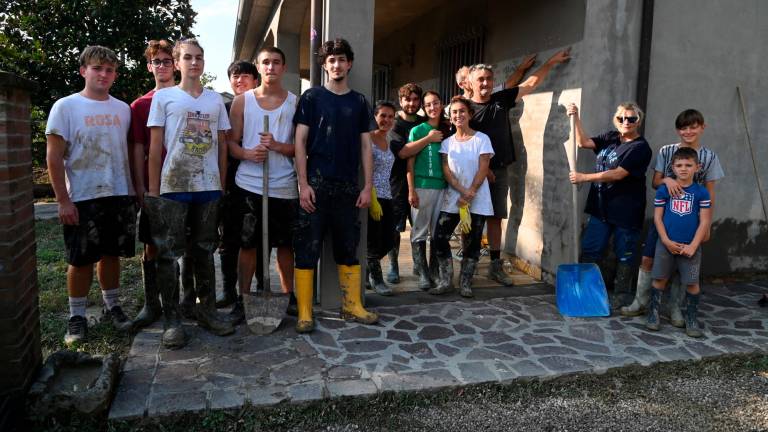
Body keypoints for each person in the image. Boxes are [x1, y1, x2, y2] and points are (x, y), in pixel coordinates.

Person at [145, 38, 234, 348]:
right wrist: (154, 191)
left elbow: (222, 146)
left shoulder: (214, 101)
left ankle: (207, 311)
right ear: (178, 62)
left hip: (208, 188)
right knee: (168, 255)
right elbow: (155, 148)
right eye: (188, 58)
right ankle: (173, 321)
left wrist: (221, 183)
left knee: (204, 250)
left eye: (199, 58)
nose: (194, 62)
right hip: (172, 186)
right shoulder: (164, 98)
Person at [45, 45, 135, 345]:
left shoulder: (123, 109)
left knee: (111, 254)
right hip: (82, 196)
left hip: (119, 192)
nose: (104, 74)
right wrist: (63, 200)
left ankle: (112, 306)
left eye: (110, 70)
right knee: (80, 258)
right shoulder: (65, 107)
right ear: (84, 70)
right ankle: (77, 316)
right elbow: (54, 157)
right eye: (97, 68)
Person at [292, 38, 378, 333]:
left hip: (347, 188)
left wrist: (367, 186)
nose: (337, 65)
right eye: (331, 60)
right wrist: (303, 184)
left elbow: (367, 147)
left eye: (341, 59)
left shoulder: (359, 102)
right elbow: (299, 142)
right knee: (307, 247)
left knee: (348, 246)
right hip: (315, 185)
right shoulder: (311, 98)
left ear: (349, 63)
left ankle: (351, 304)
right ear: (324, 65)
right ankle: (305, 311)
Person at [468, 49, 570, 286]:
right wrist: (483, 169)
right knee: (471, 220)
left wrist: (551, 62)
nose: (485, 83)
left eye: (488, 79)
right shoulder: (465, 109)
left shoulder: (501, 99)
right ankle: (469, 266)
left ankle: (495, 266)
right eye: (480, 79)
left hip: (500, 170)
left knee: (495, 218)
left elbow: (531, 83)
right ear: (471, 82)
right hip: (474, 172)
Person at [621, 109, 724, 320]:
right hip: (665, 219)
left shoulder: (709, 157)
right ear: (678, 130)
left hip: (690, 221)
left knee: (683, 262)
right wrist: (667, 180)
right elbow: (655, 181)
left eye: (693, 127)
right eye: (684, 128)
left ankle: (674, 307)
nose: (688, 132)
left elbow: (710, 193)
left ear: (702, 127)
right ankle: (641, 301)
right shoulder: (667, 151)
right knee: (648, 258)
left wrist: (708, 225)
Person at [226, 47, 298, 323]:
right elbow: (231, 143)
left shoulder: (294, 103)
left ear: (284, 67)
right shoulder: (242, 102)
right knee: (248, 245)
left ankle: (288, 295)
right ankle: (243, 299)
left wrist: (279, 146)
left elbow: (301, 147)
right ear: (259, 67)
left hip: (283, 185)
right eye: (265, 63)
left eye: (276, 62)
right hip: (249, 184)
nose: (271, 67)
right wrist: (247, 153)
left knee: (285, 245)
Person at [567, 102, 653, 309]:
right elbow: (583, 142)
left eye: (631, 119)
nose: (626, 122)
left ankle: (622, 294)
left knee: (625, 252)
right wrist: (576, 117)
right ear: (616, 120)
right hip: (600, 207)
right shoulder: (611, 138)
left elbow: (618, 174)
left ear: (638, 122)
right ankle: (588, 290)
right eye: (622, 118)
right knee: (591, 249)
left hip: (626, 209)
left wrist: (584, 177)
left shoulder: (640, 147)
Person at [129, 40, 177, 330]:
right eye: (156, 61)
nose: (161, 66)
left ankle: (185, 302)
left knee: (183, 246)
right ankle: (151, 304)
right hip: (153, 187)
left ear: (176, 64)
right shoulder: (140, 105)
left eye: (167, 61)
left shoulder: (187, 100)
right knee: (151, 246)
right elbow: (137, 149)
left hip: (183, 186)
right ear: (149, 66)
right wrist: (139, 186)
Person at [645, 147, 712, 338]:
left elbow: (705, 221)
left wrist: (693, 245)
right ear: (672, 168)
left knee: (692, 282)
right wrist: (665, 240)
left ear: (697, 167)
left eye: (688, 165)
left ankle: (691, 319)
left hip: (690, 246)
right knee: (659, 279)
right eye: (679, 165)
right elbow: (658, 218)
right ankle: (653, 314)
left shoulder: (701, 193)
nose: (683, 169)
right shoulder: (665, 190)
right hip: (666, 244)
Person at [433, 97, 494, 297]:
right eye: (454, 112)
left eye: (462, 111)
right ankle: (445, 280)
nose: (458, 115)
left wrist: (470, 193)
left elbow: (484, 167)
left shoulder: (482, 139)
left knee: (473, 241)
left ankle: (466, 282)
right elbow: (446, 170)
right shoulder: (447, 143)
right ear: (450, 117)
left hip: (478, 198)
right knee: (439, 236)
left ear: (470, 114)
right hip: (453, 198)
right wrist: (461, 190)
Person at [215, 59, 260, 310]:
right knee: (228, 238)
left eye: (245, 76)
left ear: (255, 80)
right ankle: (228, 290)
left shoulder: (263, 106)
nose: (240, 80)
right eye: (235, 76)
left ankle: (259, 289)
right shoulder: (223, 108)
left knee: (256, 239)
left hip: (255, 180)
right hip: (228, 181)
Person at [406, 91, 451, 290]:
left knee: (437, 232)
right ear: (424, 108)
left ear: (441, 105)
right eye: (428, 105)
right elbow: (410, 161)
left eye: (436, 103)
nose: (432, 108)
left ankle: (434, 272)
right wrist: (411, 190)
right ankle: (423, 274)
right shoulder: (418, 130)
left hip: (443, 187)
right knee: (419, 232)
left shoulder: (448, 130)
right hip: (421, 187)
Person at [386, 83, 426, 284]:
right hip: (398, 181)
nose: (411, 103)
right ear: (400, 101)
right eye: (407, 100)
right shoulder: (395, 123)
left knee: (419, 226)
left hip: (422, 180)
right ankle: (393, 266)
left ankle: (420, 266)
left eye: (415, 100)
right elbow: (402, 152)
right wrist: (427, 139)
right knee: (396, 227)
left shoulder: (424, 121)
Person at [367, 101, 398, 296]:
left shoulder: (389, 140)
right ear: (375, 117)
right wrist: (371, 196)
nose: (386, 120)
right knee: (373, 240)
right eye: (382, 115)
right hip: (371, 195)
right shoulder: (367, 139)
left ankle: (367, 270)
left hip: (387, 194)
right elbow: (362, 169)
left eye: (390, 117)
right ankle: (376, 279)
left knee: (390, 239)